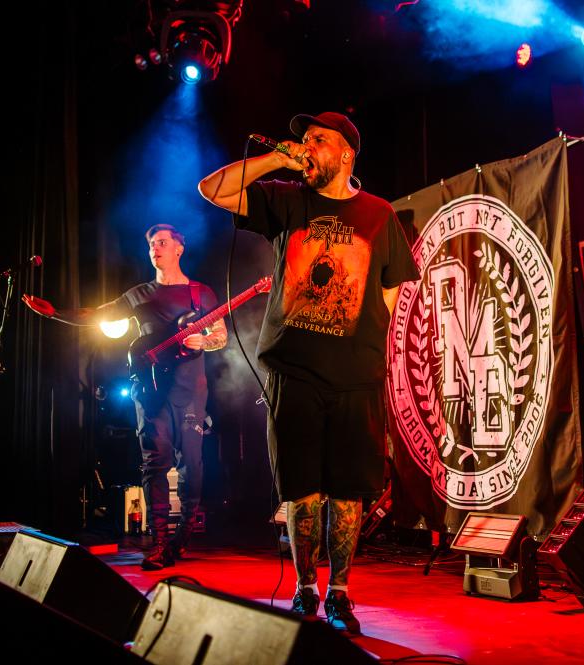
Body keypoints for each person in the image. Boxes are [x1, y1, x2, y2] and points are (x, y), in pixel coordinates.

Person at [198, 112, 419, 634]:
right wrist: (277, 157)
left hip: (355, 377)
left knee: (347, 489)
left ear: (346, 154)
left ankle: (339, 591)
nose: (307, 145)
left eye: (319, 139)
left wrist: (363, 338)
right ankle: (305, 587)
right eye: (304, 138)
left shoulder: (379, 214)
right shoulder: (286, 200)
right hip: (293, 372)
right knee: (301, 489)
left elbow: (391, 287)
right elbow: (212, 190)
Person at [94, 224, 227, 570]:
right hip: (150, 392)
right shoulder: (139, 294)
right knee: (155, 462)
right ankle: (158, 543)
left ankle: (182, 536)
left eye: (163, 243)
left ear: (179, 248)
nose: (156, 248)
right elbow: (96, 315)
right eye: (152, 244)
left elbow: (221, 335)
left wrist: (205, 340)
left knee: (192, 466)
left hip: (191, 393)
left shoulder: (200, 294)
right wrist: (55, 313)